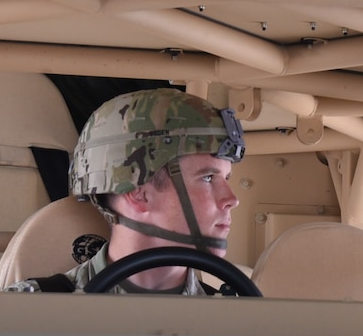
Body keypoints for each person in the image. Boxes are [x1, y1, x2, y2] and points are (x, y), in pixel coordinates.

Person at [61, 87, 244, 294]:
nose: (232, 199)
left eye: (226, 178)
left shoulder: (230, 318)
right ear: (138, 193)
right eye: (208, 178)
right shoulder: (34, 311)